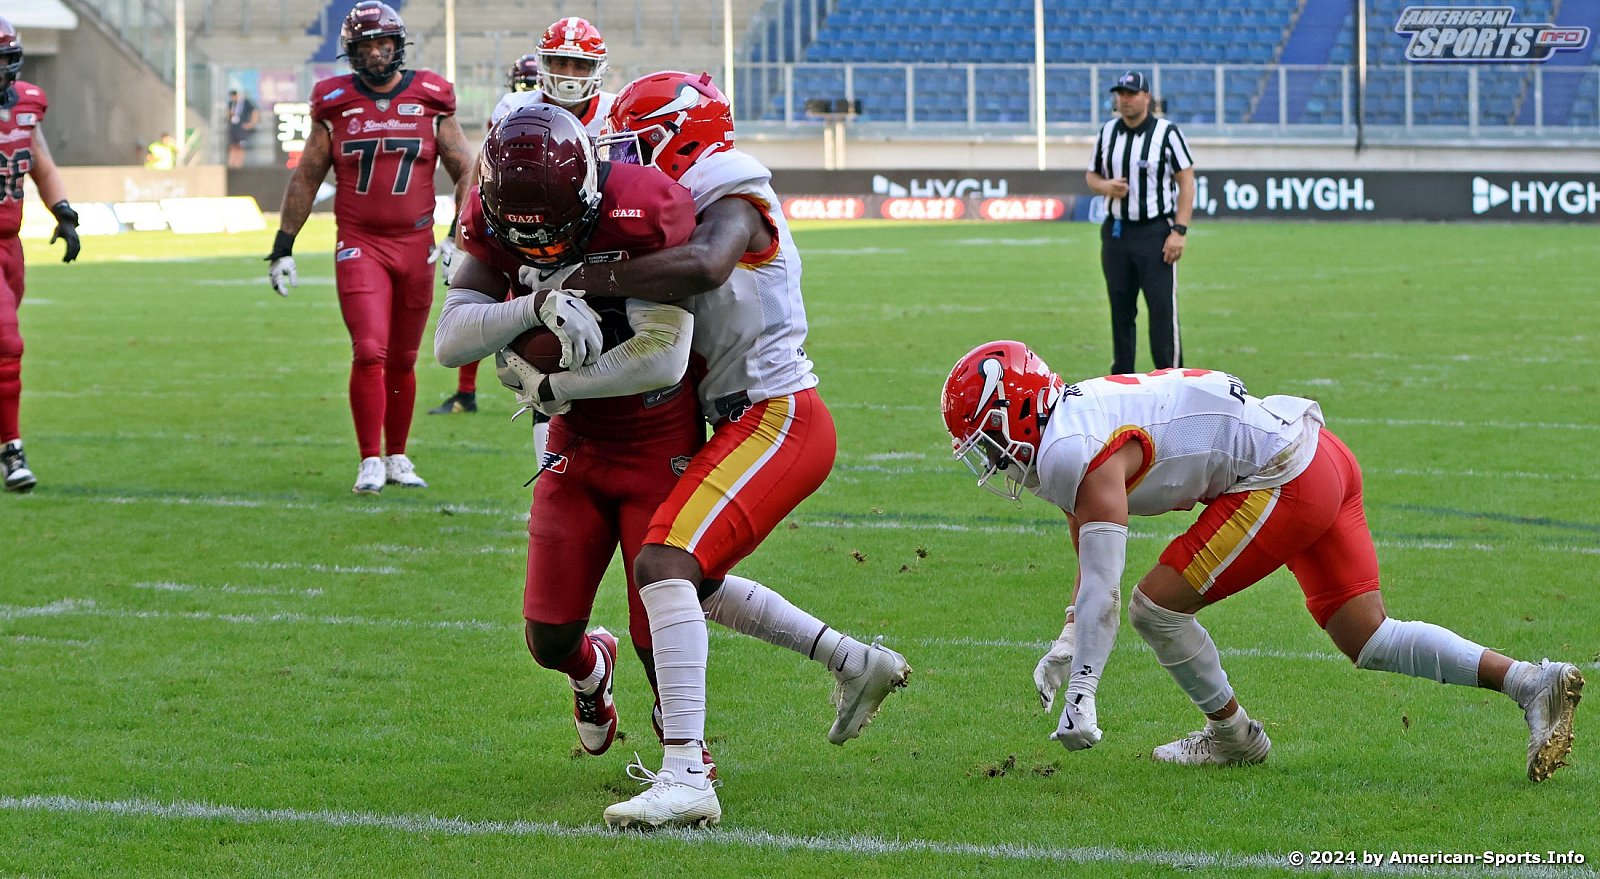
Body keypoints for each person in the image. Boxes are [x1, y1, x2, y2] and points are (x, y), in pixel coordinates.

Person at [940, 344, 1585, 781]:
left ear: (1017, 409)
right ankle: (1531, 682)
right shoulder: (1070, 429)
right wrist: (1067, 635)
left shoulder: (1067, 450)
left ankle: (1233, 736)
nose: (990, 457)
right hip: (1316, 453)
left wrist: (1083, 689)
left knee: (1155, 609)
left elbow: (1105, 589)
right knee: (1367, 636)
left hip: (1282, 479)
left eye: (987, 436)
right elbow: (1091, 544)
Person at [545, 71, 911, 828]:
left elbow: (706, 264)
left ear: (684, 137)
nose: (629, 160)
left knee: (662, 563)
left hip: (779, 417)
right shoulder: (691, 198)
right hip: (745, 419)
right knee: (696, 581)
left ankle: (687, 773)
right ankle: (853, 660)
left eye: (640, 143)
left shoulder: (735, 193)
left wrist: (586, 275)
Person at [433, 102, 701, 763]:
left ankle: (684, 754)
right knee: (549, 636)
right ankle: (592, 671)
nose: (543, 250)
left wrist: (557, 387)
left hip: (656, 434)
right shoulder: (492, 214)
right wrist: (537, 304)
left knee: (656, 622)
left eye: (556, 231)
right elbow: (450, 341)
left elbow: (666, 353)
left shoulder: (642, 206)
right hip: (575, 444)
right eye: (525, 237)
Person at [265, 0, 472, 494]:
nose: (376, 53)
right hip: (361, 244)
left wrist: (457, 239)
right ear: (351, 52)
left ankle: (397, 456)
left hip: (417, 244)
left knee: (403, 357)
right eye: (366, 45)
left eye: (384, 43)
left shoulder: (431, 97)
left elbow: (467, 168)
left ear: (398, 46)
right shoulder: (334, 102)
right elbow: (307, 176)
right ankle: (369, 460)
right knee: (369, 350)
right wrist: (283, 246)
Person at [430, 16, 614, 417]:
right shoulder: (514, 108)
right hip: (524, 243)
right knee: (534, 341)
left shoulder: (616, 111)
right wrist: (462, 242)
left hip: (594, 244)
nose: (568, 74)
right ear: (542, 63)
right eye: (560, 62)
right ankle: (539, 412)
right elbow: (485, 181)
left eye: (578, 64)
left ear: (596, 69)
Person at [0, 15, 81, 493]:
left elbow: (40, 162)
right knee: (7, 343)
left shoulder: (28, 103)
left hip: (11, 244)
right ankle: (12, 451)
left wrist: (63, 211)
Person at [1086, 71, 1195, 375]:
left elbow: (1186, 181)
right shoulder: (1108, 132)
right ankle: (1122, 381)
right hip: (1117, 232)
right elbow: (1092, 175)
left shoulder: (1167, 133)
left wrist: (1179, 230)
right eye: (1121, 93)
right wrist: (1106, 186)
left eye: (1131, 93)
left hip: (1155, 233)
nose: (1125, 99)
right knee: (1120, 311)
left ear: (1146, 97)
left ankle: (1173, 379)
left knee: (1161, 310)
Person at [226, 89, 259, 169]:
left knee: (240, 146)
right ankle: (232, 164)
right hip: (233, 127)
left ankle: (239, 164)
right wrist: (230, 114)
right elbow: (228, 115)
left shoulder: (245, 102)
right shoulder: (231, 103)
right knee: (233, 146)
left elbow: (255, 111)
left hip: (241, 128)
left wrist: (252, 123)